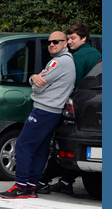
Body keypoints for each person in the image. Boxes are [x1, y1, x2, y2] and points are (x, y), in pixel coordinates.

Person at [0, 31, 76, 199]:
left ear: (65, 43)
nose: (52, 44)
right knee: (40, 148)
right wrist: (34, 78)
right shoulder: (66, 61)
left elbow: (38, 86)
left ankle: (20, 186)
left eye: (56, 41)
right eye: (49, 42)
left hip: (44, 109)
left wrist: (34, 80)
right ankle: (31, 186)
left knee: (23, 145)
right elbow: (38, 80)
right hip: (53, 111)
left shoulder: (59, 62)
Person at [41, 21, 101, 194]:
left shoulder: (77, 57)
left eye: (73, 38)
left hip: (76, 104)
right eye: (68, 38)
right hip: (91, 105)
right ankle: (66, 181)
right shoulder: (96, 54)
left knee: (64, 144)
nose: (69, 41)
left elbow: (70, 83)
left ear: (84, 38)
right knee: (81, 145)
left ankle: (43, 179)